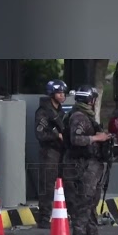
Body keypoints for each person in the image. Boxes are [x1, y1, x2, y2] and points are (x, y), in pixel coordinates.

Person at [61, 85, 113, 235]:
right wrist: (96, 138)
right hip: (80, 166)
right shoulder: (79, 116)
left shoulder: (86, 116)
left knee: (91, 202)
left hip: (90, 165)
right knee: (83, 202)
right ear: (90, 100)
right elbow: (76, 139)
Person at [34, 79, 69, 227]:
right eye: (59, 93)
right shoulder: (43, 112)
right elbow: (40, 134)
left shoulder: (60, 111)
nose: (62, 95)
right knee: (47, 185)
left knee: (65, 183)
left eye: (63, 93)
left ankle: (62, 214)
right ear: (52, 94)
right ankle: (44, 218)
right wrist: (57, 135)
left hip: (61, 151)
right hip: (49, 152)